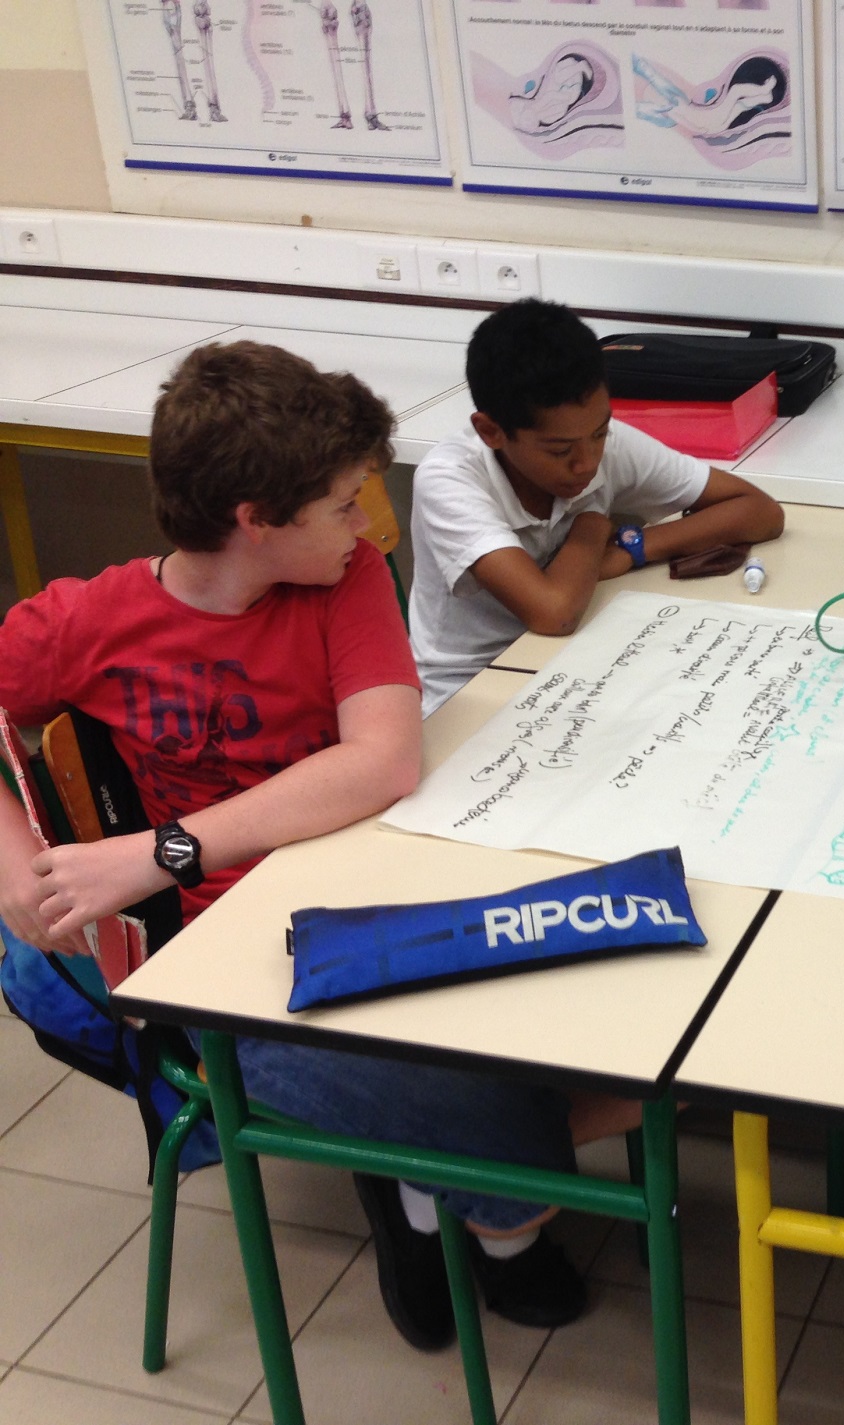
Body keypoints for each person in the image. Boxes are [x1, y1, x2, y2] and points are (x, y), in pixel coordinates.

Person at [0, 341, 631, 1354]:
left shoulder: (342, 577)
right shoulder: (90, 620)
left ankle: (426, 1184)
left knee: (616, 1026)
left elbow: (382, 760)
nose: (369, 524)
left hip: (376, 895)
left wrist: (163, 849)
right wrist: (12, 867)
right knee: (498, 1109)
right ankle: (489, 1219)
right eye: (343, 504)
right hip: (233, 971)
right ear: (256, 521)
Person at [408, 298, 785, 714]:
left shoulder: (597, 440)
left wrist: (632, 548)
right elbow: (554, 614)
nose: (587, 463)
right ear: (491, 431)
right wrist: (591, 526)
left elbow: (761, 511)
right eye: (560, 451)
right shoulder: (449, 479)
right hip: (471, 688)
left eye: (600, 433)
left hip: (577, 655)